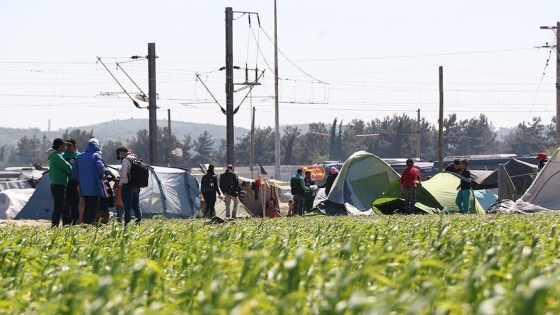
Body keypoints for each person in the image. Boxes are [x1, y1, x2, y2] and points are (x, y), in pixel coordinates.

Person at [73, 138, 106, 224]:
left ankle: (85, 224)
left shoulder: (79, 156)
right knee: (93, 208)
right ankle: (89, 225)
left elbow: (75, 172)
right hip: (95, 187)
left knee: (86, 207)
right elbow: (100, 169)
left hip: (83, 188)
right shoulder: (96, 155)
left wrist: (81, 180)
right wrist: (101, 176)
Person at [48, 138, 73, 227]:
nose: (65, 147)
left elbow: (61, 154)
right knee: (60, 207)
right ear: (59, 146)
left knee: (58, 207)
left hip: (55, 184)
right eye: (63, 146)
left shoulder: (53, 156)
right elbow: (68, 167)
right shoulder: (57, 157)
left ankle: (55, 225)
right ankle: (57, 225)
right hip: (60, 185)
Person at [116, 146, 142, 225]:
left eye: (119, 155)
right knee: (136, 206)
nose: (119, 157)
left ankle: (127, 224)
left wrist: (119, 170)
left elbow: (123, 174)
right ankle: (138, 223)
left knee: (127, 206)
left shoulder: (125, 160)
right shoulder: (135, 157)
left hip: (127, 185)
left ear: (121, 153)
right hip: (136, 185)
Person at [62, 138, 80, 225]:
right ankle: (66, 223)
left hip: (76, 182)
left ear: (74, 146)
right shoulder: (63, 155)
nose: (68, 147)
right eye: (66, 145)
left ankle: (75, 222)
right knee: (66, 203)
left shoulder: (79, 155)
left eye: (70, 145)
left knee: (75, 203)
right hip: (67, 182)